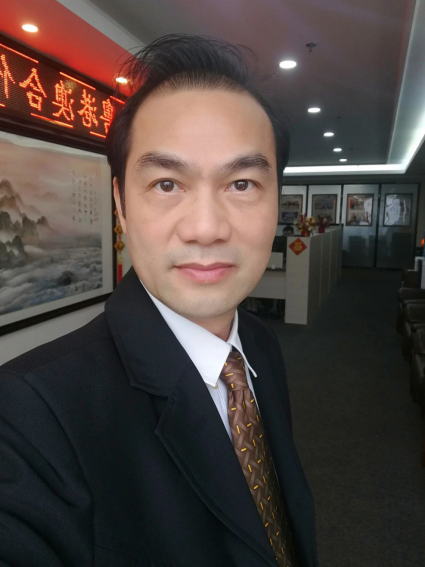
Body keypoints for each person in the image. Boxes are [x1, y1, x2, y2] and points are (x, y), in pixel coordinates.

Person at [0, 34, 318, 567]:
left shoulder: (259, 347)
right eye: (167, 184)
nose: (206, 228)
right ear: (121, 205)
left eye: (242, 184)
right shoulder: (28, 414)